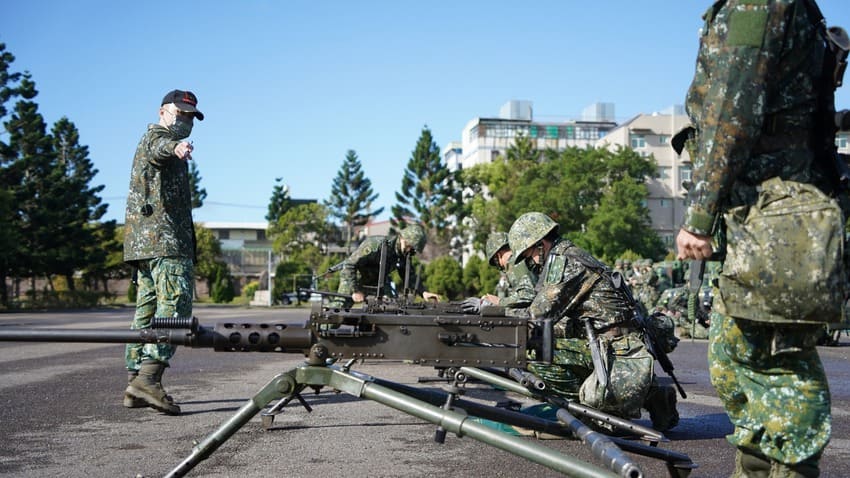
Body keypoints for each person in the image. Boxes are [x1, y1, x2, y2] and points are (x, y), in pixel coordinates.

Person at [675, 2, 843, 474]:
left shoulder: (759, 2)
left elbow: (734, 108)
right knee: (734, 361)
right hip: (758, 214)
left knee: (778, 365)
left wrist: (699, 214)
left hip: (776, 215)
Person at [508, 212, 679, 431]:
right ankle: (651, 395)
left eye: (529, 254)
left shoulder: (566, 262)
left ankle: (591, 409)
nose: (530, 262)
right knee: (543, 343)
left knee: (534, 353)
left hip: (616, 351)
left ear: (541, 245)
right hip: (612, 347)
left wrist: (492, 313)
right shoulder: (570, 255)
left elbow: (538, 316)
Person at [123, 89, 204, 415]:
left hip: (145, 243)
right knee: (175, 307)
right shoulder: (157, 137)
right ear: (162, 111)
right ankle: (149, 378)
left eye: (190, 117)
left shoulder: (153, 139)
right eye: (180, 113)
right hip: (164, 243)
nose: (185, 121)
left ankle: (135, 383)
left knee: (147, 310)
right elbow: (160, 149)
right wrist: (176, 146)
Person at [334, 224, 438, 305]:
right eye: (409, 246)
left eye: (413, 248)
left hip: (379, 283)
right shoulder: (375, 245)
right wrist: (355, 290)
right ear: (402, 238)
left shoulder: (404, 254)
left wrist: (423, 292)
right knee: (337, 312)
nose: (410, 250)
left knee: (392, 308)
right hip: (354, 279)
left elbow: (410, 276)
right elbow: (349, 265)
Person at [461, 231, 536, 314]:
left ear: (498, 256)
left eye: (496, 263)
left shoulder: (513, 263)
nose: (500, 267)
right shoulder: (520, 260)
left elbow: (527, 296)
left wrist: (499, 302)